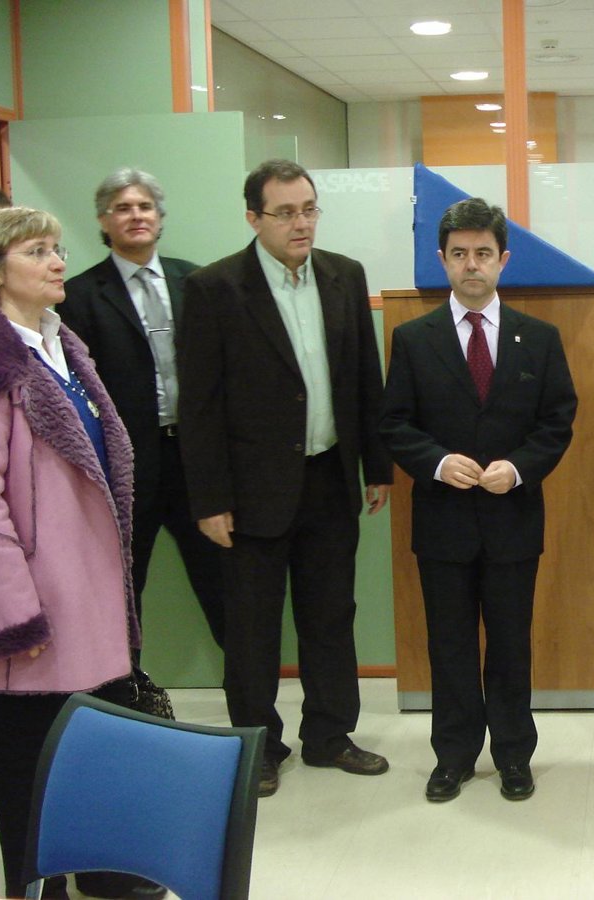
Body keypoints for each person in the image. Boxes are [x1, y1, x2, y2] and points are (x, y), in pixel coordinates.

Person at [177, 160, 392, 797]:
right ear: (254, 218)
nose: (302, 224)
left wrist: (376, 466)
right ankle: (258, 746)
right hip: (250, 491)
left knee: (330, 616)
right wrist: (209, 499)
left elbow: (364, 378)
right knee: (252, 628)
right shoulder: (215, 288)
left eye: (309, 209)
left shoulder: (344, 275)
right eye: (286, 213)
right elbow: (199, 405)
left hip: (329, 477)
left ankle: (330, 734)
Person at [380, 198, 577, 803]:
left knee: (512, 645)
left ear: (503, 260)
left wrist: (517, 469)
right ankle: (454, 756)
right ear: (442, 259)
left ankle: (514, 755)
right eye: (460, 254)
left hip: (513, 519)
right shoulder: (413, 339)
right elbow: (396, 423)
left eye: (483, 253)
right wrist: (439, 463)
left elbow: (557, 422)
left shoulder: (539, 339)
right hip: (443, 522)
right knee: (450, 646)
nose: (472, 265)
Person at [0, 207, 165, 899]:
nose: (58, 261)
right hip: (36, 611)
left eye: (58, 248)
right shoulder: (1, 362)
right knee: (30, 767)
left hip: (91, 597)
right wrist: (15, 616)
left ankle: (102, 867)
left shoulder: (63, 346)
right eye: (37, 251)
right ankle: (41, 885)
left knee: (92, 748)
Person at [59, 168, 225, 648]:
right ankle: (125, 687)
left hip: (196, 462)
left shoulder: (197, 281)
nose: (136, 216)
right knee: (123, 590)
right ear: (103, 220)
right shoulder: (80, 296)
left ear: (159, 216)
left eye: (145, 206)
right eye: (123, 208)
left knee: (223, 584)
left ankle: (247, 691)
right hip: (127, 467)